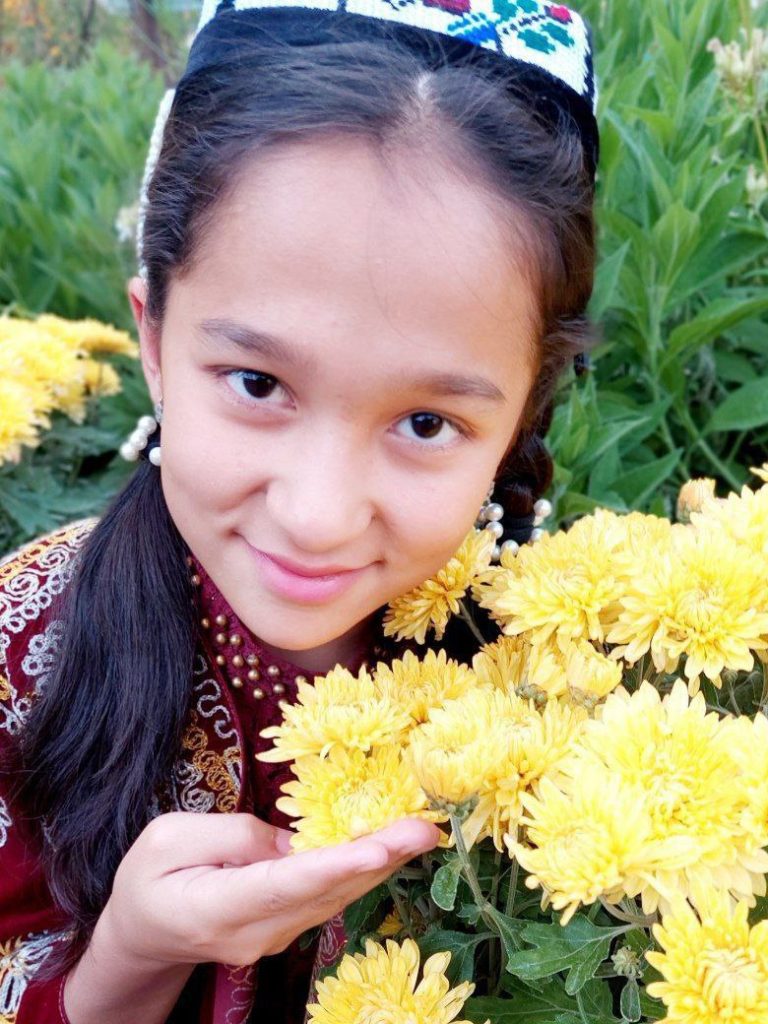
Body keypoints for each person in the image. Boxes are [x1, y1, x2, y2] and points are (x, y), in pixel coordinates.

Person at [0, 0, 598, 1020]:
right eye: (257, 384)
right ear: (151, 339)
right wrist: (128, 960)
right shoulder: (23, 653)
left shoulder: (586, 667)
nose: (318, 517)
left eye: (424, 420)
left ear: (525, 411)